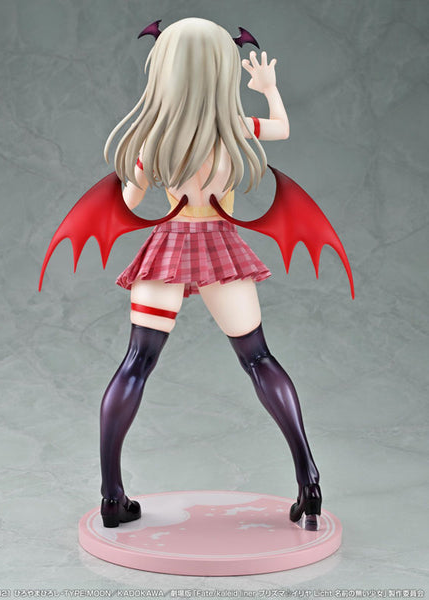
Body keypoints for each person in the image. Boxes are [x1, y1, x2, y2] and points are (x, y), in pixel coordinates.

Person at [99, 17, 321, 530]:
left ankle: (111, 496)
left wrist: (134, 172)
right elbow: (282, 128)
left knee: (136, 363)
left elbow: (128, 206)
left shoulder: (153, 138)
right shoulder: (234, 127)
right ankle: (308, 481)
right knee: (259, 358)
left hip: (167, 252)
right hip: (221, 250)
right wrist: (268, 88)